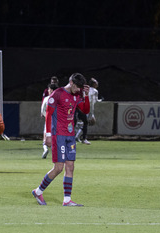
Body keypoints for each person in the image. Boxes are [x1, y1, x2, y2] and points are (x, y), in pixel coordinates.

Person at [32, 73, 90, 206]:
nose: (79, 90)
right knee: (58, 168)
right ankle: (38, 191)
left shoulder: (78, 95)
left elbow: (85, 110)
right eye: (77, 87)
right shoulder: (58, 94)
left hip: (70, 135)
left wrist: (85, 96)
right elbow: (48, 114)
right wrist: (47, 135)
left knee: (70, 166)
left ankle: (67, 200)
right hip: (58, 135)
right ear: (72, 83)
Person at [75, 78, 102, 145]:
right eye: (96, 82)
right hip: (87, 108)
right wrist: (100, 100)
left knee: (82, 122)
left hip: (80, 106)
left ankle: (77, 135)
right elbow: (94, 101)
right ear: (94, 84)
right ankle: (82, 138)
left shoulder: (85, 89)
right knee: (86, 122)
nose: (97, 84)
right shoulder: (95, 91)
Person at [41, 83, 58, 159]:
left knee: (45, 136)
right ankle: (57, 152)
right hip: (57, 120)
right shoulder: (59, 99)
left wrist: (46, 116)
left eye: (49, 89)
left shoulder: (47, 98)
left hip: (48, 120)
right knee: (55, 137)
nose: (48, 90)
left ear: (51, 90)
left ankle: (45, 149)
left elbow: (43, 110)